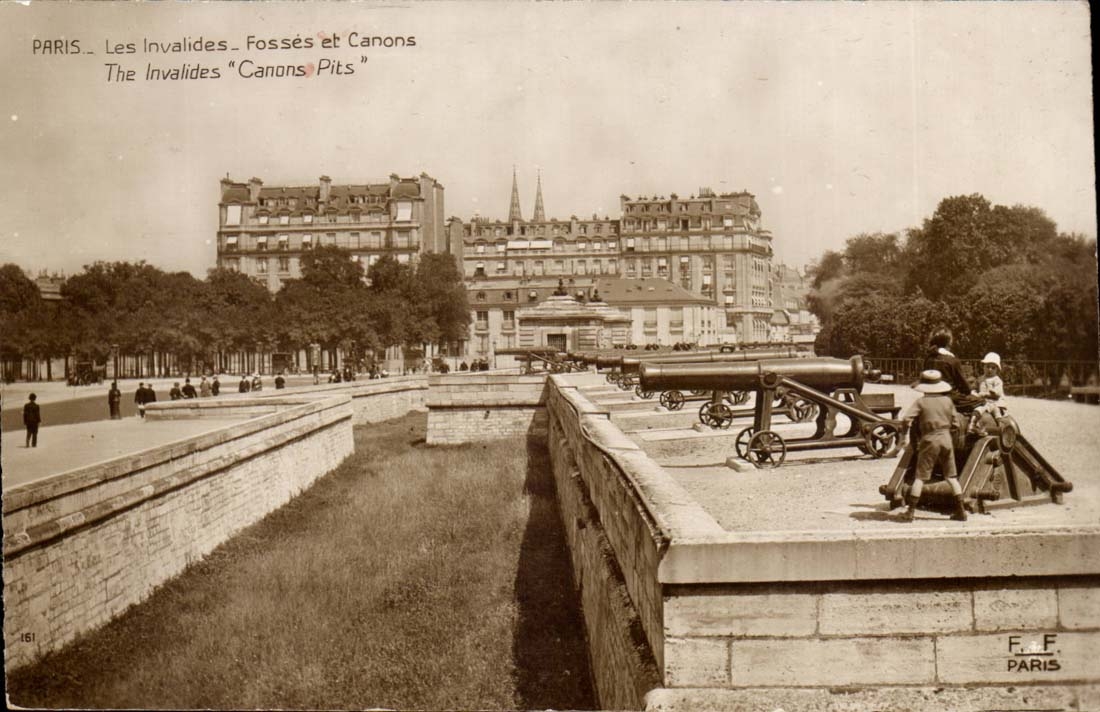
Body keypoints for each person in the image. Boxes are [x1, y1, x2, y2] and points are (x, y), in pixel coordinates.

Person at [898, 369, 968, 523]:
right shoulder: (948, 401)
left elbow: (906, 420)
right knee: (951, 477)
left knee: (920, 478)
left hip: (929, 440)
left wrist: (904, 435)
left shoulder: (921, 402)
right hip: (946, 439)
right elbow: (956, 424)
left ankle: (910, 512)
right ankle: (961, 511)